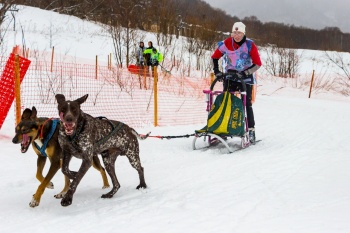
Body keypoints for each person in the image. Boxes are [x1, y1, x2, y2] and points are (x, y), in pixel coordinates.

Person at [211, 22, 262, 144]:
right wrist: (217, 71)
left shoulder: (250, 45)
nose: (236, 35)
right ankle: (223, 129)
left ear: (244, 33)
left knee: (246, 104)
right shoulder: (227, 43)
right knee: (226, 101)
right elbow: (215, 57)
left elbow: (258, 64)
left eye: (239, 33)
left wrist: (246, 73)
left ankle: (251, 130)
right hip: (230, 76)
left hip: (246, 77)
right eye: (234, 32)